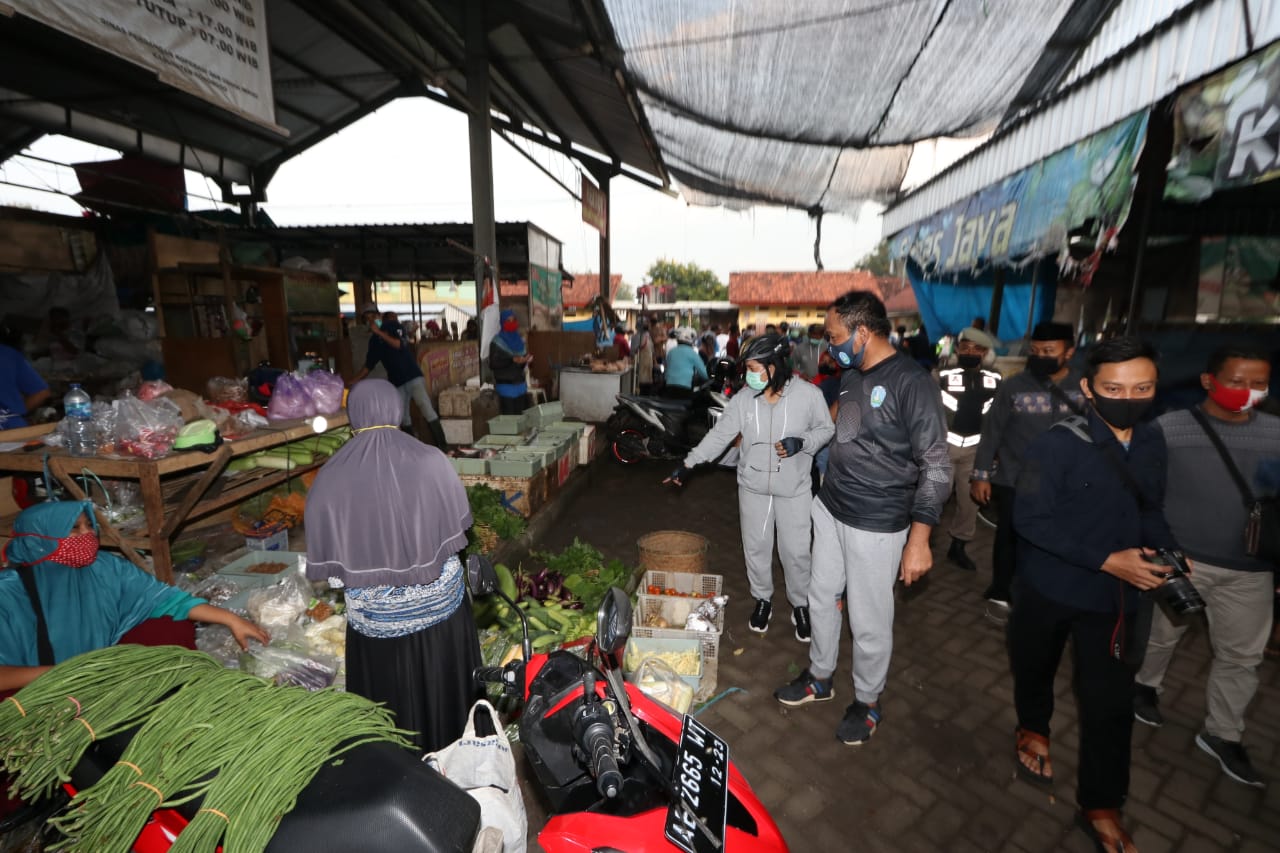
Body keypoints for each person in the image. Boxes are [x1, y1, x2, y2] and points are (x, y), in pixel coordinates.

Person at [1008, 336, 1176, 853]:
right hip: (1049, 587)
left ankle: (1100, 802)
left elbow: (1150, 508)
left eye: (1142, 387)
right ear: (1089, 388)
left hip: (1115, 601)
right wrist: (1106, 558)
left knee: (1109, 704)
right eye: (1114, 387)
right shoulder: (1055, 445)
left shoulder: (1151, 443)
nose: (1129, 397)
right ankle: (1033, 728)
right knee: (1034, 666)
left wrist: (1167, 550)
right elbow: (1029, 518)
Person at [774, 291, 950, 746]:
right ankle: (820, 676)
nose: (830, 347)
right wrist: (806, 440)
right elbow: (842, 422)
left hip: (877, 521)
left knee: (869, 618)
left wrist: (919, 539)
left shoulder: (913, 383)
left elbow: (936, 464)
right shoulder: (853, 374)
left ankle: (868, 701)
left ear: (862, 332)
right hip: (833, 507)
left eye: (834, 337)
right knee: (821, 596)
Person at [305, 379, 480, 752]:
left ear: (353, 419)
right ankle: (452, 759)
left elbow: (336, 576)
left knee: (389, 722)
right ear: (397, 410)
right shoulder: (431, 459)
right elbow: (461, 530)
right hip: (441, 624)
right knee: (445, 706)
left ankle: (395, 775)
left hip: (377, 634)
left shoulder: (331, 475)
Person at [1134, 346, 1279, 788]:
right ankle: (1145, 687)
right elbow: (1145, 494)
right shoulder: (1169, 429)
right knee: (1161, 635)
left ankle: (1223, 733)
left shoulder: (1276, 434)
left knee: (1241, 657)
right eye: (1237, 381)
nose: (1248, 391)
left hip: (1250, 571)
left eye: (1259, 383)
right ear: (1208, 381)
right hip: (1181, 562)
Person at [0, 500, 269, 693]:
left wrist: (230, 619)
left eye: (88, 526)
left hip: (103, 673)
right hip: (37, 689)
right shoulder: (8, 594)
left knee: (169, 627)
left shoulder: (103, 567)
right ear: (38, 541)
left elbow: (162, 598)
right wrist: (63, 676)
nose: (88, 535)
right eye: (74, 529)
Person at [667, 334, 834, 640]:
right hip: (753, 488)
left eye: (756, 368)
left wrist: (804, 443)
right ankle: (763, 600)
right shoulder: (743, 400)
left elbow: (826, 429)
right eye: (749, 369)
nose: (750, 375)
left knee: (796, 552)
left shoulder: (808, 395)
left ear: (776, 366)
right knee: (756, 548)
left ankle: (800, 605)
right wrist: (689, 464)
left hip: (794, 489)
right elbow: (720, 436)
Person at [971, 321, 1084, 619]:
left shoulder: (1084, 388)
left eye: (1049, 351)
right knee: (1008, 538)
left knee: (1055, 540)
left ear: (1069, 352)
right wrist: (981, 475)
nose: (1040, 356)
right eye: (1034, 350)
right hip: (1014, 480)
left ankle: (1041, 591)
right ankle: (1000, 590)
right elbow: (992, 432)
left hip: (1065, 484)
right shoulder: (1013, 386)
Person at [937, 327, 1002, 572]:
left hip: (976, 450)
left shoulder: (995, 379)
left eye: (977, 349)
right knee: (935, 497)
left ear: (986, 353)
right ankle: (922, 540)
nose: (970, 352)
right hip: (944, 447)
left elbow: (999, 417)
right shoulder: (941, 375)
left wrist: (995, 449)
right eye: (965, 348)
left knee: (969, 503)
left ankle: (958, 547)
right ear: (957, 349)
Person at [350, 307, 448, 449]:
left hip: (412, 376)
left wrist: (379, 332)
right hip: (397, 382)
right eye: (367, 319)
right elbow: (368, 366)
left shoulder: (392, 326)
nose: (371, 321)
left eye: (373, 317)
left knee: (426, 408)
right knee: (403, 417)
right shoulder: (373, 342)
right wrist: (353, 380)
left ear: (379, 317)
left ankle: (443, 447)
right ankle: (413, 449)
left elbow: (398, 344)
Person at [489, 309, 533, 415]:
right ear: (503, 323)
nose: (511, 323)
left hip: (521, 388)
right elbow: (493, 363)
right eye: (508, 321)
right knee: (509, 423)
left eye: (513, 320)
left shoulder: (519, 341)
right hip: (506, 389)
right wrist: (511, 360)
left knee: (521, 422)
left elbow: (520, 366)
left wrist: (525, 361)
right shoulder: (496, 341)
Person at [0, 341, 50, 430]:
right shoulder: (8, 353)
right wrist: (15, 412)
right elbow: (41, 392)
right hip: (14, 429)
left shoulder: (7, 353)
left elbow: (41, 392)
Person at [663, 327, 708, 400]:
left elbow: (666, 367)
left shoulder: (671, 352)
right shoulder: (692, 353)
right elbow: (704, 374)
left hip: (669, 387)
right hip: (684, 389)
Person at [632, 319, 656, 397]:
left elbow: (652, 350)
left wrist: (655, 362)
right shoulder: (637, 337)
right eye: (645, 323)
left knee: (646, 382)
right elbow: (633, 352)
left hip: (647, 363)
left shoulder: (647, 336)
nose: (647, 325)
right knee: (642, 383)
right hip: (641, 363)